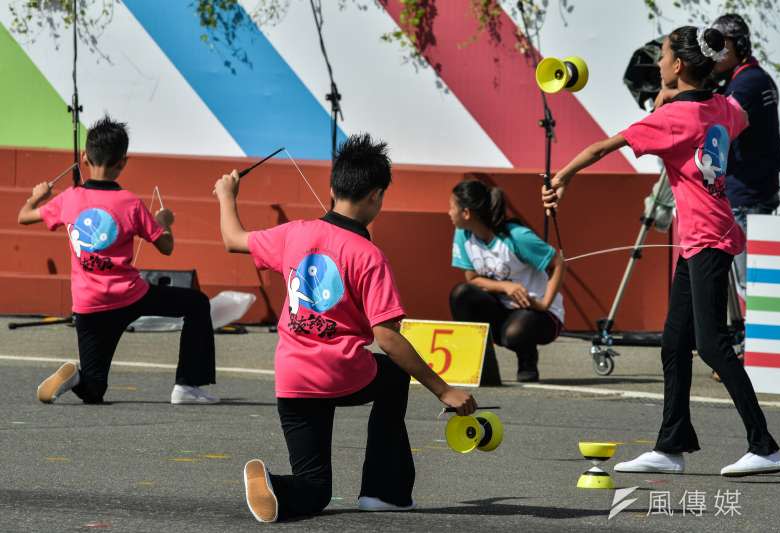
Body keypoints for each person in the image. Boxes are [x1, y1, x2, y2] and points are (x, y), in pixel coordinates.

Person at [541, 27, 780, 477]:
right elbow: (740, 118)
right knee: (674, 344)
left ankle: (763, 444)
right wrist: (671, 98)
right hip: (703, 236)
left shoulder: (675, 118)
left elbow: (602, 146)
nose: (657, 63)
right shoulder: (722, 107)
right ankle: (671, 445)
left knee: (711, 345)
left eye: (664, 56)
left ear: (678, 67)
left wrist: (563, 178)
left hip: (706, 237)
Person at [214, 133, 477, 522]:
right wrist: (444, 390)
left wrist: (226, 194)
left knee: (315, 490)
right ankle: (384, 492)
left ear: (333, 187)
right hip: (341, 374)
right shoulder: (369, 255)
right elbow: (387, 337)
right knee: (393, 376)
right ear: (375, 196)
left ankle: (275, 484)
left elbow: (233, 240)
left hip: (292, 378)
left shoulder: (294, 232)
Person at [18, 115, 217, 405]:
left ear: (85, 157)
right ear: (122, 162)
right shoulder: (130, 203)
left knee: (94, 389)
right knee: (197, 304)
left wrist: (36, 197)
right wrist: (165, 221)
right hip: (130, 296)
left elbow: (23, 217)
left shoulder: (69, 199)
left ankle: (76, 377)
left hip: (88, 305)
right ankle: (187, 387)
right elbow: (166, 247)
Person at [448, 180, 565, 382]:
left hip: (538, 311)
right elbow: (472, 279)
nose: (449, 212)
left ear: (466, 213)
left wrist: (544, 303)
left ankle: (527, 360)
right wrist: (505, 286)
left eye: (452, 207)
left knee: (512, 334)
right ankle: (477, 363)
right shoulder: (463, 234)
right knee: (461, 294)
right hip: (502, 307)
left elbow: (559, 263)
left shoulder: (516, 236)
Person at [712, 13, 780, 293]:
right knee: (754, 279)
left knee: (750, 282)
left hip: (746, 194)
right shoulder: (756, 78)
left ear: (739, 45)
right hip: (754, 189)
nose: (715, 52)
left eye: (722, 44)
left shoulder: (746, 83)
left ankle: (754, 337)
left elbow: (719, 128)